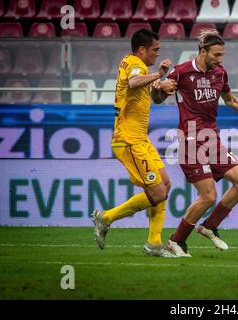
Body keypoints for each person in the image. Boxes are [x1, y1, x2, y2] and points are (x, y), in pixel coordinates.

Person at [151, 29, 238, 257]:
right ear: (203, 51)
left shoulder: (220, 73)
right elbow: (157, 99)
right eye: (216, 54)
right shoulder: (182, 72)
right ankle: (176, 242)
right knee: (208, 197)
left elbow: (230, 100)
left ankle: (209, 226)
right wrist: (158, 86)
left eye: (222, 54)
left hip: (211, 138)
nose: (219, 59)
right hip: (190, 138)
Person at [91, 29, 177, 258]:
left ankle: (153, 243)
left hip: (140, 139)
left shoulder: (137, 65)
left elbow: (153, 98)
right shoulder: (137, 65)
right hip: (128, 141)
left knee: (165, 185)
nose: (157, 55)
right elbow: (134, 81)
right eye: (155, 50)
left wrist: (164, 90)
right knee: (158, 192)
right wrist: (159, 75)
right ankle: (105, 218)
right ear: (142, 50)